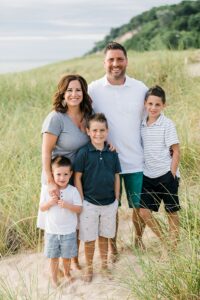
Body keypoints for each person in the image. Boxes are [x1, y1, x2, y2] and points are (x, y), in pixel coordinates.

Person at [88, 42, 148, 255]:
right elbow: (85, 122)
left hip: (135, 159)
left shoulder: (140, 88)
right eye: (111, 60)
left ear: (126, 61)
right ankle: (112, 249)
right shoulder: (93, 89)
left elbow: (149, 121)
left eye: (119, 59)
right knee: (110, 208)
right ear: (104, 62)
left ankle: (138, 242)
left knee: (139, 208)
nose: (115, 64)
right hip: (106, 162)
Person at [37, 74, 93, 269]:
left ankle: (73, 260)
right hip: (58, 178)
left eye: (78, 89)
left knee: (75, 219)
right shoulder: (56, 118)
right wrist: (51, 181)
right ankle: (57, 265)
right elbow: (46, 151)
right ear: (63, 93)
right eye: (69, 90)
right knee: (58, 223)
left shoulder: (87, 115)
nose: (74, 94)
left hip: (76, 177)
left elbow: (95, 135)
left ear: (84, 93)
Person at [74, 113, 121, 282]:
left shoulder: (112, 153)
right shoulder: (84, 153)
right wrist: (81, 200)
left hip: (109, 202)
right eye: (94, 130)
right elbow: (77, 177)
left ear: (107, 131)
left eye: (102, 130)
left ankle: (104, 265)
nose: (98, 134)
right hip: (89, 203)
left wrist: (116, 198)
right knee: (89, 238)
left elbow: (117, 175)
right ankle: (89, 268)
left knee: (104, 236)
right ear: (88, 131)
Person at [139, 85, 181, 251]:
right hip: (148, 175)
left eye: (157, 104)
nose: (153, 108)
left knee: (171, 211)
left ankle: (174, 247)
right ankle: (165, 242)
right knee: (144, 211)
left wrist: (172, 173)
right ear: (145, 104)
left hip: (166, 174)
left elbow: (176, 151)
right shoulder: (141, 124)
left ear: (163, 105)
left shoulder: (167, 124)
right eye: (150, 104)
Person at [39, 156, 82, 287]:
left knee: (67, 256)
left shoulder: (73, 191)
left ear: (70, 174)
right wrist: (50, 203)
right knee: (53, 257)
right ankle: (54, 278)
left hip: (68, 231)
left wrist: (67, 205)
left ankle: (67, 273)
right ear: (52, 174)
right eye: (58, 174)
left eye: (65, 174)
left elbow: (79, 208)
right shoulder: (48, 190)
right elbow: (42, 207)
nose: (62, 178)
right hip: (52, 231)